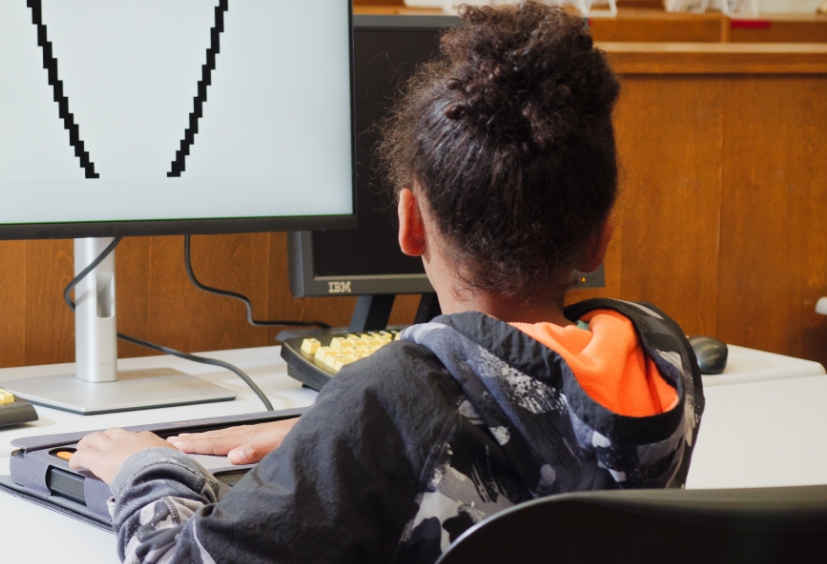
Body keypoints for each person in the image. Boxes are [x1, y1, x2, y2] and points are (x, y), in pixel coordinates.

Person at [69, 3, 705, 562]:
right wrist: (340, 442)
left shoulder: (399, 393)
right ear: (600, 239)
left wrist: (145, 467)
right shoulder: (660, 357)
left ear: (410, 224)